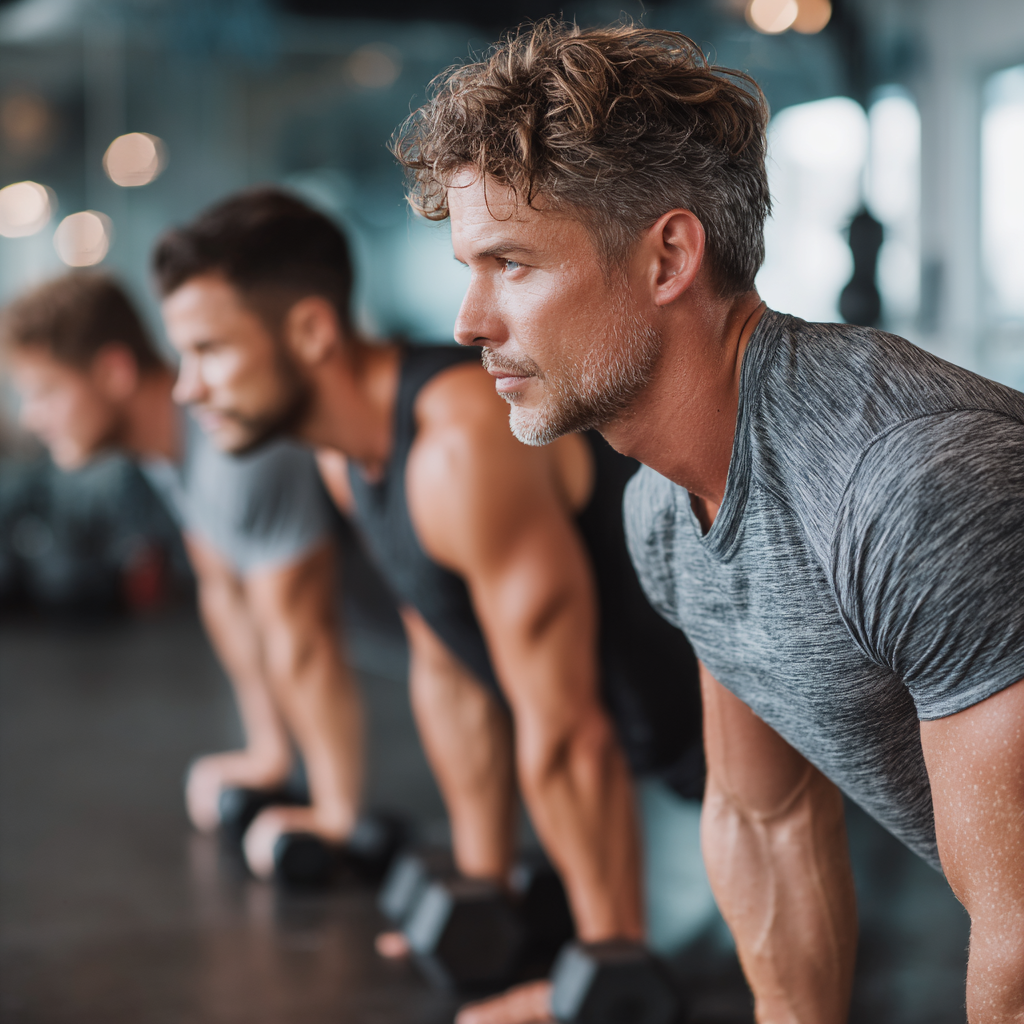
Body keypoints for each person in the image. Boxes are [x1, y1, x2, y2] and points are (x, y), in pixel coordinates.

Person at [392, 18, 1024, 1024]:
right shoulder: (663, 508)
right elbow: (766, 816)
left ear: (667, 256)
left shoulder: (910, 484)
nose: (469, 322)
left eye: (510, 263)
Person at [150, 187, 710, 1023]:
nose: (188, 389)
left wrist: (601, 968)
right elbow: (449, 670)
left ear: (309, 331)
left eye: (210, 351)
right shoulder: (351, 456)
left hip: (723, 747)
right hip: (651, 755)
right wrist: (480, 895)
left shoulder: (457, 446)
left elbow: (566, 727)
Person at [2, 272, 365, 879]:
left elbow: (304, 633)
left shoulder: (230, 440)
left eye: (43, 391)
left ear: (114, 372)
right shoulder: (166, 453)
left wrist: (334, 817)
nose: (31, 416)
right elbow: (224, 592)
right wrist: (269, 754)